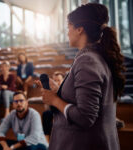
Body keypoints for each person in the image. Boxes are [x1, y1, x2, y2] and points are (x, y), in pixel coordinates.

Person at [36, 3, 125, 150]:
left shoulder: (87, 60)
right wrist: (59, 90)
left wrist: (54, 100)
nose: (67, 32)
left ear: (79, 29)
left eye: (68, 26)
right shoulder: (96, 57)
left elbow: (85, 117)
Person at [42, 71, 65, 143]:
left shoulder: (66, 91)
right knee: (46, 114)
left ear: (63, 81)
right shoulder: (51, 91)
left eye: (58, 80)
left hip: (65, 112)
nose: (56, 83)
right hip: (54, 113)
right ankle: (47, 139)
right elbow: (47, 107)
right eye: (54, 80)